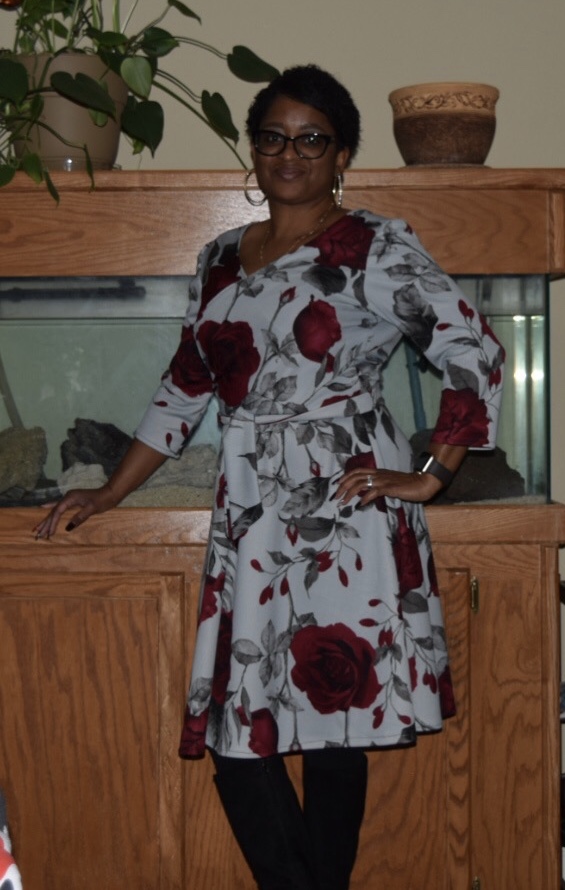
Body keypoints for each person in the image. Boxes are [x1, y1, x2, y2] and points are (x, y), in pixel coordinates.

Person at [34, 65, 505, 890]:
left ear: (341, 154)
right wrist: (110, 490)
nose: (290, 153)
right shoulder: (219, 256)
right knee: (238, 738)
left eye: (311, 139)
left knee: (334, 727)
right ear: (254, 149)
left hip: (344, 505)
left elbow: (474, 352)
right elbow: (186, 385)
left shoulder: (372, 245)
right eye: (273, 137)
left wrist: (430, 476)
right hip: (250, 505)